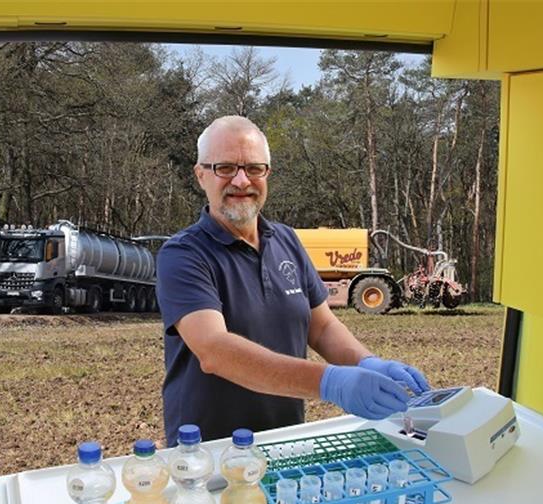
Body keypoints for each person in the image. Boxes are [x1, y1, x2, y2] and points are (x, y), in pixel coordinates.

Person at [156, 116, 430, 446]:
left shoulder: (285, 240)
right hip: (209, 453)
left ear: (267, 174)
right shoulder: (183, 254)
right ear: (201, 175)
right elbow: (215, 351)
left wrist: (368, 363)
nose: (242, 181)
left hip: (285, 442)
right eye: (225, 168)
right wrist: (329, 382)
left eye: (254, 168)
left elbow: (322, 327)